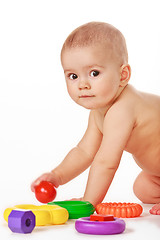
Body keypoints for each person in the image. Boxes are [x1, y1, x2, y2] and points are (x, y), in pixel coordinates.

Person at [31, 22, 160, 214]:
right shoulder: (100, 111)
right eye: (73, 76)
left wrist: (89, 201)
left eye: (94, 73)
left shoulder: (122, 110)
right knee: (143, 188)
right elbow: (84, 151)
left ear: (123, 75)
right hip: (155, 173)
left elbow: (106, 162)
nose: (83, 84)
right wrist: (57, 176)